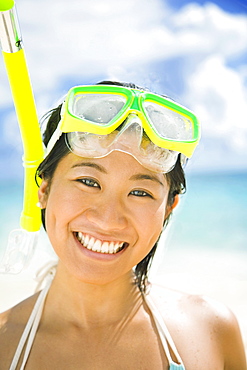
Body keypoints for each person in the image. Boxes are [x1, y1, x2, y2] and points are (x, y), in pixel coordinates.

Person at [0, 81, 246, 370]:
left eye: (140, 193)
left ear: (169, 208)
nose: (108, 219)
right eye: (88, 182)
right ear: (42, 189)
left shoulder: (211, 332)